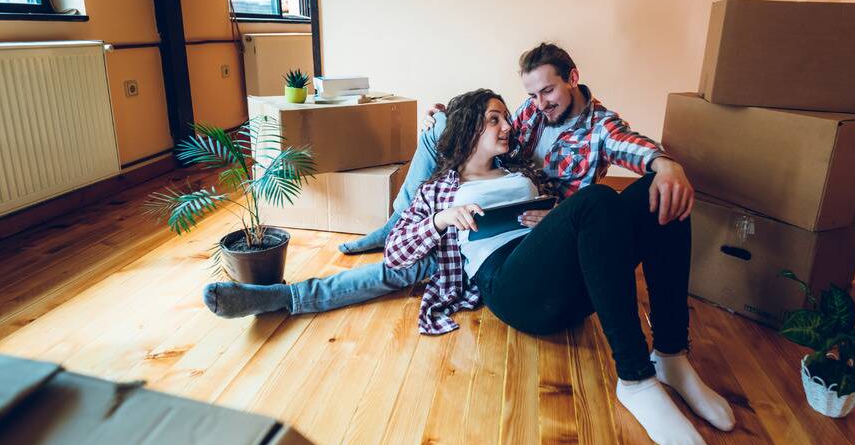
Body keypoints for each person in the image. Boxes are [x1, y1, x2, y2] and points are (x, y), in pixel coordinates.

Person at [204, 42, 696, 319]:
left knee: (389, 269)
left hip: (542, 232)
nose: (538, 105)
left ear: (572, 76)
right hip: (459, 235)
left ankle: (394, 225)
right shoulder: (526, 118)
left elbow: (632, 145)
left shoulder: (597, 128)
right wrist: (453, 128)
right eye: (532, 94)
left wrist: (663, 162)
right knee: (383, 268)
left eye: (547, 90)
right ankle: (286, 294)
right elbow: (489, 126)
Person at [383, 88, 733, 445]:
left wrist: (554, 217)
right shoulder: (438, 190)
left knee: (659, 188)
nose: (507, 125)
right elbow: (395, 254)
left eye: (506, 117)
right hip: (510, 287)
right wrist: (441, 220)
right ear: (468, 128)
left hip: (560, 278)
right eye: (493, 119)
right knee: (597, 199)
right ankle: (635, 378)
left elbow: (576, 222)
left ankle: (670, 354)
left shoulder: (520, 170)